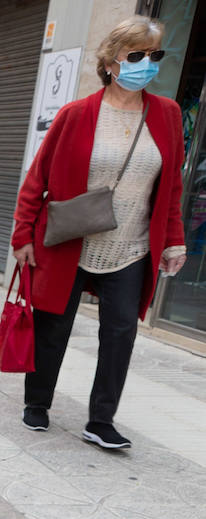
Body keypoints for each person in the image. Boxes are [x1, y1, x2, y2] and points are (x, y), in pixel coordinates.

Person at [11, 15, 185, 450]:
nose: (147, 64)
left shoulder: (166, 114)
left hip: (132, 245)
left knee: (121, 332)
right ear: (111, 62)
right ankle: (38, 401)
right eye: (137, 56)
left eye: (155, 55)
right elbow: (37, 181)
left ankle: (101, 419)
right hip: (71, 239)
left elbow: (172, 186)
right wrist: (23, 237)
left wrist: (175, 238)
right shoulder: (76, 114)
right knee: (54, 325)